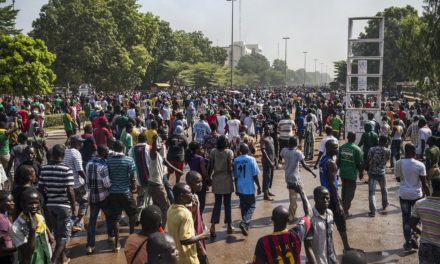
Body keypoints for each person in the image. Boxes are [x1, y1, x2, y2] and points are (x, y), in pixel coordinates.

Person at [252, 183, 315, 264]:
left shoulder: (263, 242)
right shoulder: (296, 234)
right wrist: (302, 192)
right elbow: (309, 214)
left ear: (272, 219)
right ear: (287, 220)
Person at [38, 144, 75, 264]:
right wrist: (74, 207)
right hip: (64, 206)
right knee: (64, 236)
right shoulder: (67, 169)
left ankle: (63, 258)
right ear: (63, 155)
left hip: (50, 206)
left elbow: (41, 188)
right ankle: (53, 261)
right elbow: (70, 190)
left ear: (53, 154)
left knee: (57, 233)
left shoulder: (44, 168)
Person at [395, 143, 430, 251]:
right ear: (414, 152)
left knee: (406, 219)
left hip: (404, 194)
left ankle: (408, 241)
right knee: (417, 218)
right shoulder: (420, 165)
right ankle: (415, 236)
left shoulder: (398, 163)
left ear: (405, 152)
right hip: (417, 196)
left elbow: (398, 179)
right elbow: (424, 183)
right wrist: (429, 197)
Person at [319, 139, 351, 251]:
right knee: (340, 220)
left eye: (337, 146)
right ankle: (346, 247)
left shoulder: (323, 160)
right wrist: (338, 203)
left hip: (324, 196)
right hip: (331, 196)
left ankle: (327, 247)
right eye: (335, 147)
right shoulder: (331, 163)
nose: (337, 149)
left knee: (326, 223)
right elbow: (332, 184)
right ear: (328, 149)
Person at [166, 183, 209, 264]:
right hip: (187, 258)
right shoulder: (185, 213)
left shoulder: (171, 208)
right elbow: (185, 240)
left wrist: (194, 212)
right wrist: (203, 235)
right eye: (189, 193)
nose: (192, 195)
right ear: (181, 196)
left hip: (177, 257)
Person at [107, 140, 137, 252]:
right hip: (125, 192)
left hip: (113, 193)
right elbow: (132, 177)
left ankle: (117, 244)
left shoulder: (108, 161)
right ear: (123, 148)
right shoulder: (129, 160)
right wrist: (133, 188)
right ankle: (132, 236)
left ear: (113, 149)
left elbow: (108, 175)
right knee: (132, 214)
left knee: (116, 218)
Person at [10, 188, 53, 264]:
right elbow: (27, 255)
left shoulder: (40, 218)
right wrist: (32, 230)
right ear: (22, 204)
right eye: (30, 203)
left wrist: (49, 234)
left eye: (36, 203)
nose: (34, 206)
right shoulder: (16, 227)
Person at [280, 136, 316, 222]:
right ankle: (291, 217)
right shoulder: (297, 153)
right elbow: (304, 165)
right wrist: (312, 172)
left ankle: (292, 215)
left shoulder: (284, 150)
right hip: (295, 178)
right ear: (296, 144)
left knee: (293, 196)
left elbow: (281, 157)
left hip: (288, 177)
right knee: (299, 197)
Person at [85, 144, 112, 254]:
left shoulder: (88, 164)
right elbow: (106, 184)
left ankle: (90, 245)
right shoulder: (103, 166)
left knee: (92, 221)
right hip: (103, 196)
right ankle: (111, 236)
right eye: (107, 152)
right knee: (109, 217)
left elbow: (87, 182)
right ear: (104, 153)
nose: (108, 154)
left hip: (92, 197)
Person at [208, 135, 234, 237]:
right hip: (227, 180)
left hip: (216, 180)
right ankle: (229, 226)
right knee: (227, 204)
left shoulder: (213, 152)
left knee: (217, 204)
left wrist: (208, 177)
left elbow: (210, 166)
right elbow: (229, 168)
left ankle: (213, 226)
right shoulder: (229, 152)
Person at [233, 143, 262, 236]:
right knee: (252, 206)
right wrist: (259, 186)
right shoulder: (251, 159)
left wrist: (236, 188)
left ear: (240, 151)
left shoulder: (236, 160)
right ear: (248, 150)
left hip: (240, 187)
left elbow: (235, 177)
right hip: (249, 187)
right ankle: (244, 223)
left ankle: (245, 225)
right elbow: (255, 175)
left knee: (243, 206)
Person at [411, 175, 440, 263]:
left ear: (431, 186)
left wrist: (422, 233)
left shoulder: (419, 203)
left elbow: (412, 224)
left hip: (425, 245)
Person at [305, 186, 338, 264]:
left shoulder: (330, 213)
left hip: (329, 259)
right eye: (322, 198)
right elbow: (307, 247)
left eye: (327, 198)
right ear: (315, 199)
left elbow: (330, 237)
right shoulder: (310, 219)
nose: (325, 200)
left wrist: (334, 257)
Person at [63, 135, 87, 232]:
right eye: (81, 142)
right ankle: (77, 222)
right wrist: (87, 179)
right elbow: (79, 169)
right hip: (76, 184)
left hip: (66, 182)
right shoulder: (76, 153)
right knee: (84, 202)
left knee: (71, 204)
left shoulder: (66, 151)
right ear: (76, 143)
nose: (82, 143)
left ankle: (71, 222)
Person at [337, 132, 363, 216]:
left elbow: (338, 161)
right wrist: (361, 173)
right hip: (351, 174)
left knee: (344, 191)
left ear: (347, 137)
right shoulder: (357, 149)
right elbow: (359, 163)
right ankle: (344, 211)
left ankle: (344, 209)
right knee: (350, 194)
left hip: (343, 173)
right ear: (355, 138)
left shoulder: (342, 147)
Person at [185, 171, 208, 264]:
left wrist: (202, 224)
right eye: (197, 182)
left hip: (199, 235)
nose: (200, 184)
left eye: (201, 181)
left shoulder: (195, 196)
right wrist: (200, 247)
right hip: (194, 239)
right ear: (189, 183)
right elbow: (190, 226)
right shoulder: (188, 203)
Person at [365, 135, 391, 217]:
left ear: (379, 140)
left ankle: (373, 211)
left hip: (372, 173)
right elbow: (387, 160)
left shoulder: (372, 149)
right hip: (382, 172)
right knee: (384, 189)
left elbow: (368, 160)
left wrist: (365, 169)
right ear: (386, 142)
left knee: (372, 193)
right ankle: (384, 205)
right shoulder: (388, 151)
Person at [260, 126, 275, 201]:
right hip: (266, 160)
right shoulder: (263, 139)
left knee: (270, 176)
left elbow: (273, 149)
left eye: (268, 129)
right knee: (266, 176)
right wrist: (269, 161)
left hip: (272, 159)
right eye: (265, 129)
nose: (267, 130)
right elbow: (263, 151)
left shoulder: (271, 138)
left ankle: (267, 190)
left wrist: (275, 159)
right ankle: (265, 195)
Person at [0, 191, 16, 264]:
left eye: (13, 200)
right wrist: (19, 247)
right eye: (9, 201)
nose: (13, 203)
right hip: (5, 257)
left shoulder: (5, 215)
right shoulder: (2, 219)